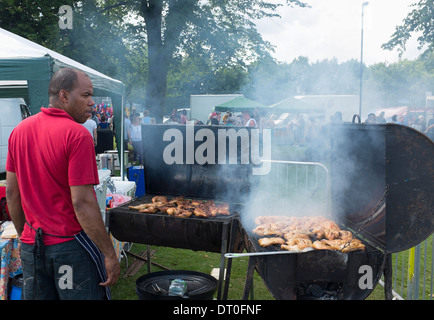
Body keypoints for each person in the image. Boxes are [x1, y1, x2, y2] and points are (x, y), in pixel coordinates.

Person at [5, 67, 120, 300]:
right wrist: (109, 253)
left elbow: (11, 194)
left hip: (32, 245)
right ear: (64, 96)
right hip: (70, 246)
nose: (92, 103)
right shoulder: (77, 135)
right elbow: (82, 203)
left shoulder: (18, 131)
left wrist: (25, 235)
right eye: (86, 95)